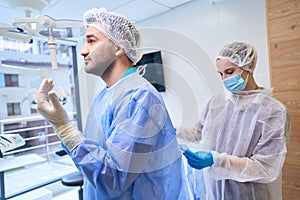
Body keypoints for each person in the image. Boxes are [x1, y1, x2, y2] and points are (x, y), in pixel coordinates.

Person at [37, 7, 191, 200]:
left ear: (119, 47)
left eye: (92, 41)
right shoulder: (106, 96)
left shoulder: (140, 98)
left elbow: (115, 179)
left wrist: (65, 129)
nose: (83, 51)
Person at [177, 42, 290, 200]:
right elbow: (198, 133)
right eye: (220, 74)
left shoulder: (272, 111)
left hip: (248, 194)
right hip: (214, 192)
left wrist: (218, 160)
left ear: (249, 65)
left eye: (229, 72)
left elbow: (266, 167)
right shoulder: (216, 104)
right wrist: (172, 129)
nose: (224, 79)